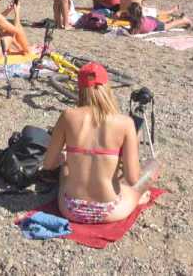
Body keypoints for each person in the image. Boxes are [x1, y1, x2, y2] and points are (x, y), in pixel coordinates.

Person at [42, 62, 159, 224]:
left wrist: (64, 158)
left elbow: (48, 164)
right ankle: (138, 198)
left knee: (66, 167)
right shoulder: (125, 123)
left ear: (80, 88)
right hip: (109, 210)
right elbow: (132, 178)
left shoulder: (68, 116)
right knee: (153, 165)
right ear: (106, 87)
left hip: (70, 208)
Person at [126, 2, 193, 34]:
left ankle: (184, 20)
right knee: (159, 21)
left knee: (170, 25)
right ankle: (170, 19)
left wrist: (128, 31)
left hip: (156, 25)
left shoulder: (139, 24)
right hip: (150, 19)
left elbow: (134, 32)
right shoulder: (137, 19)